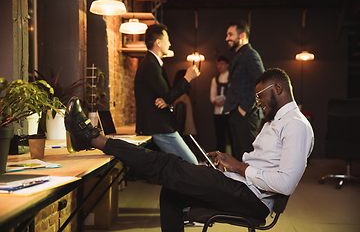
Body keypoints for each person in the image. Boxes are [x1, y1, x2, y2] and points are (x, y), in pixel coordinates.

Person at [65, 68, 314, 232]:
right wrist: (230, 166)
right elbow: (263, 166)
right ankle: (92, 138)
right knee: (171, 192)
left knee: (168, 166)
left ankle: (91, 137)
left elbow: (285, 184)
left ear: (278, 89)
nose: (257, 102)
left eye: (259, 96)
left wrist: (239, 167)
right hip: (240, 186)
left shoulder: (295, 125)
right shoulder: (278, 122)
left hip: (251, 199)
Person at [134, 24, 200, 165]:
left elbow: (166, 95)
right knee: (192, 164)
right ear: (158, 42)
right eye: (167, 39)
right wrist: (187, 78)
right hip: (159, 127)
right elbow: (168, 95)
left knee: (176, 167)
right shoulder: (151, 65)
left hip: (159, 126)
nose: (169, 43)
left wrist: (167, 100)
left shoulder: (153, 63)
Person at [223, 20, 264, 161]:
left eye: (230, 34)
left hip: (246, 115)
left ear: (241, 36)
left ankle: (249, 184)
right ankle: (240, 184)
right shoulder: (240, 55)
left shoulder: (250, 54)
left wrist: (244, 108)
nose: (227, 38)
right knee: (239, 157)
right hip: (237, 113)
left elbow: (261, 83)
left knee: (248, 158)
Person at [210, 55, 230, 153]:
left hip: (229, 112)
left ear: (227, 65)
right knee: (219, 136)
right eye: (218, 64)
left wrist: (226, 102)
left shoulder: (231, 77)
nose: (219, 66)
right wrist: (215, 101)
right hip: (218, 112)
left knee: (231, 135)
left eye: (222, 64)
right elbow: (212, 95)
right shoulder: (215, 79)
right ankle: (220, 158)